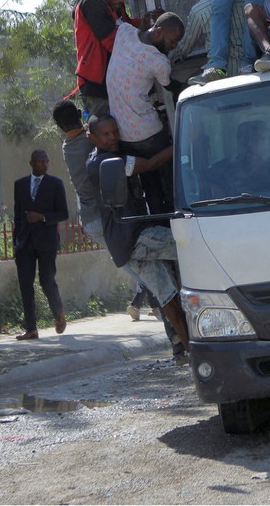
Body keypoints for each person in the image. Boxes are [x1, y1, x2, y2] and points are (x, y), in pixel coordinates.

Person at [85, 114, 189, 349]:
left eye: (115, 132)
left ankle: (187, 348)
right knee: (192, 245)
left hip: (122, 246)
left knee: (167, 296)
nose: (112, 137)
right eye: (106, 134)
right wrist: (184, 142)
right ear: (92, 137)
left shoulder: (95, 159)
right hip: (135, 236)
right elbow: (151, 164)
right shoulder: (108, 162)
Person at [106, 11, 184, 213]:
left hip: (123, 133)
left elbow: (135, 28)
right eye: (172, 41)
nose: (173, 47)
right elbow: (167, 85)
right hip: (149, 132)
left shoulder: (124, 32)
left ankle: (158, 224)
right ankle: (175, 221)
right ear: (159, 32)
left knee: (151, 186)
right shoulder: (159, 61)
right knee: (170, 181)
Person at [73, 0, 146, 118]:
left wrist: (148, 22)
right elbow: (113, 42)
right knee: (107, 132)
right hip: (96, 84)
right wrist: (149, 37)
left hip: (110, 81)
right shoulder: (92, 3)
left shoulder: (113, 4)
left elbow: (127, 25)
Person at [12, 150, 68, 340]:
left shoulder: (55, 184)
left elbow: (63, 213)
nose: (44, 165)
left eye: (46, 161)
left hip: (47, 242)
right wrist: (16, 242)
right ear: (31, 163)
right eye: (40, 162)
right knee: (25, 285)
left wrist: (42, 217)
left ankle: (58, 313)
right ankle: (31, 328)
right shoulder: (20, 185)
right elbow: (18, 215)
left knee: (47, 280)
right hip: (25, 242)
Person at [168, 0, 247, 77]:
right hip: (249, 70)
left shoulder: (199, 10)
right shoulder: (245, 1)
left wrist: (168, 58)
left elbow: (185, 47)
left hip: (218, 74)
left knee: (185, 87)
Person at [51, 101, 101, 245]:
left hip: (88, 219)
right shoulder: (91, 139)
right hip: (104, 213)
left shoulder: (66, 147)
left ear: (60, 127)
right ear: (79, 114)